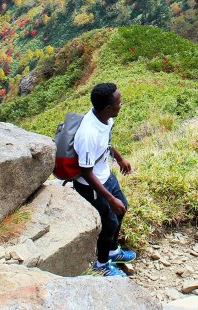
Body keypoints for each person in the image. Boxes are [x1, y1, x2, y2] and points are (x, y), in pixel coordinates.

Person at [73, 82, 135, 278]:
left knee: (122, 206)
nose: (121, 104)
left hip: (106, 174)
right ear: (109, 107)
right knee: (109, 223)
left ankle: (113, 251)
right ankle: (101, 264)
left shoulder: (105, 119)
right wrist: (109, 198)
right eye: (119, 102)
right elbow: (85, 172)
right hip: (91, 185)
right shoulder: (87, 134)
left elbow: (105, 143)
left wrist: (119, 158)